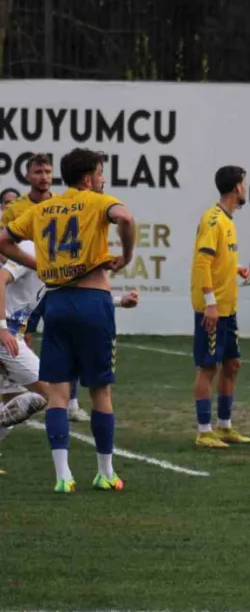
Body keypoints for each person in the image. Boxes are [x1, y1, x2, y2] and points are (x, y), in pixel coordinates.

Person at [0, 147, 136, 493]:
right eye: (101, 173)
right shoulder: (97, 200)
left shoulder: (43, 209)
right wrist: (127, 257)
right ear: (89, 177)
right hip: (93, 301)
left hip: (57, 303)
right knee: (100, 391)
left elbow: (4, 240)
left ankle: (63, 476)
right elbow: (126, 219)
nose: (103, 179)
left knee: (57, 395)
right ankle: (105, 471)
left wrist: (38, 266)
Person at [0, 154, 87, 421]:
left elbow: (71, 286)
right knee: (52, 394)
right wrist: (3, 328)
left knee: (14, 405)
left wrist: (118, 301)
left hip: (14, 331)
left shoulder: (52, 257)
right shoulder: (28, 248)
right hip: (6, 335)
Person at [190, 166, 250, 449]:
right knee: (208, 367)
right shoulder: (214, 220)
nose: (246, 188)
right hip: (213, 308)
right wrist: (210, 305)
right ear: (237, 188)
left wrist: (234, 268)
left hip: (229, 307)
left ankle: (225, 426)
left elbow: (215, 260)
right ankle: (204, 431)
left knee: (232, 364)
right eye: (244, 184)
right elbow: (202, 263)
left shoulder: (228, 220)